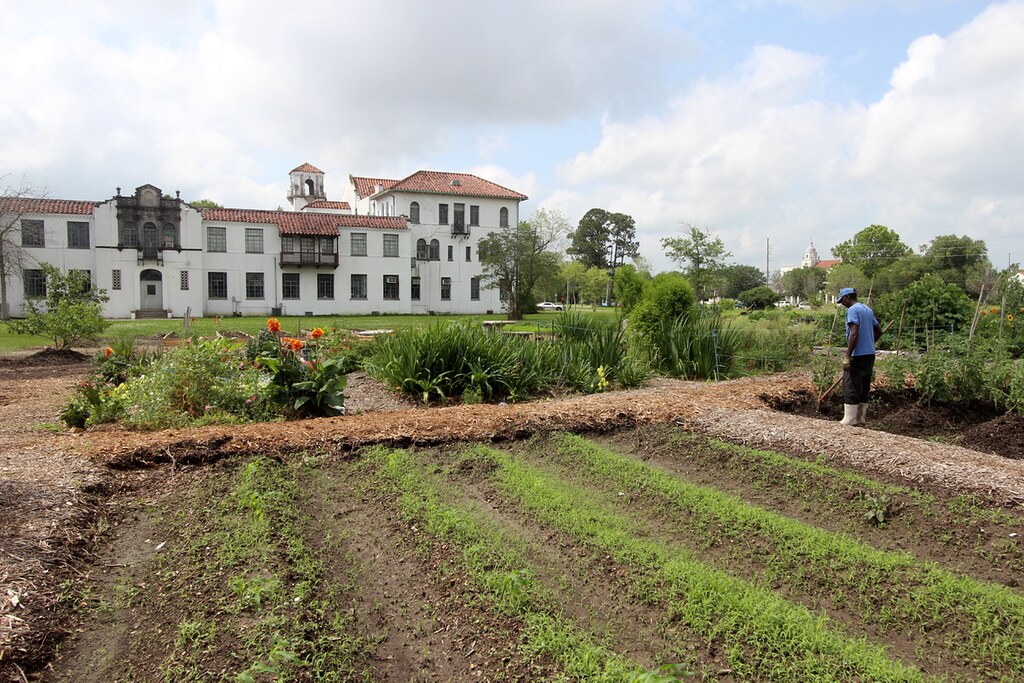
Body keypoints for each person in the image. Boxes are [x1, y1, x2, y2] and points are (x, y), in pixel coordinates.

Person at [838, 287, 882, 426]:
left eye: (842, 300)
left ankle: (850, 419)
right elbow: (879, 331)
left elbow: (854, 334)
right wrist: (869, 342)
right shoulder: (867, 310)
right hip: (869, 354)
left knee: (850, 383)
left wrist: (847, 356)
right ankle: (860, 418)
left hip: (857, 355)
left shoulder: (853, 310)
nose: (842, 304)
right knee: (863, 384)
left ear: (848, 297)